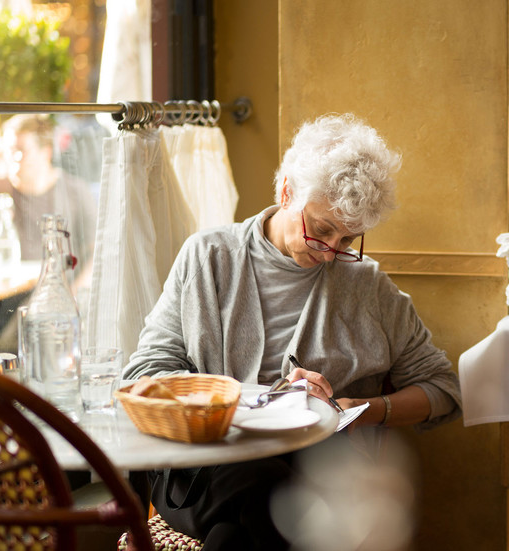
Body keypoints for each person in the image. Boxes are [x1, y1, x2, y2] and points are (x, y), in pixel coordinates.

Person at [122, 113, 462, 550]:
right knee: (268, 485)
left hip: (310, 473)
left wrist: (360, 407)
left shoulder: (368, 287)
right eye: (322, 231)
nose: (331, 253)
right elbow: (144, 373)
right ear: (286, 191)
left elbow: (443, 389)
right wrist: (236, 400)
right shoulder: (208, 258)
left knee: (238, 534)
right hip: (206, 471)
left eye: (348, 240)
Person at [0, 114, 98, 283]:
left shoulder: (75, 191)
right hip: (3, 303)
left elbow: (95, 255)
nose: (13, 157)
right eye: (8, 150)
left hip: (59, 297)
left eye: (21, 150)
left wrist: (74, 296)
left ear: (46, 152)